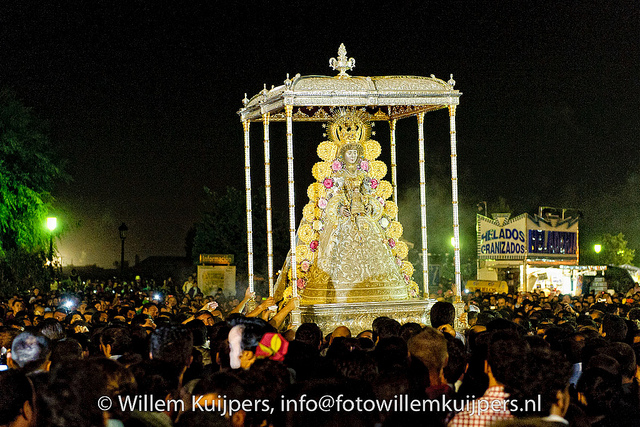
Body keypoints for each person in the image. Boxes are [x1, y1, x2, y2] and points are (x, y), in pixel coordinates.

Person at [288, 110, 413, 304]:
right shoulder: (338, 176)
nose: (353, 156)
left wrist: (369, 207)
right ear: (343, 155)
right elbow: (333, 197)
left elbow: (370, 196)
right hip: (343, 220)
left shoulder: (363, 175)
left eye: (355, 153)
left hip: (364, 218)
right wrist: (340, 209)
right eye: (349, 153)